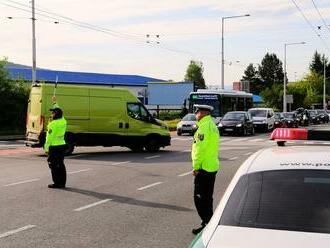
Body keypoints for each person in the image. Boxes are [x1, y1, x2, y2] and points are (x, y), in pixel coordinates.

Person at [191, 104, 220, 235]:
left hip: (204, 168)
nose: (196, 115)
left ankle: (208, 223)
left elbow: (199, 150)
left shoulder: (203, 128)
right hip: (212, 166)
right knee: (208, 197)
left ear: (202, 113)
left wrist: (196, 167)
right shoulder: (213, 126)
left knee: (199, 198)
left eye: (197, 112)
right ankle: (208, 222)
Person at [44, 96, 67, 188]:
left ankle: (57, 183)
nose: (51, 114)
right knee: (61, 164)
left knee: (53, 165)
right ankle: (62, 182)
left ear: (55, 115)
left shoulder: (52, 124)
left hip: (54, 147)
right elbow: (59, 110)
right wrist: (54, 102)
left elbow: (49, 138)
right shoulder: (63, 121)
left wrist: (46, 149)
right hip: (62, 145)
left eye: (52, 113)